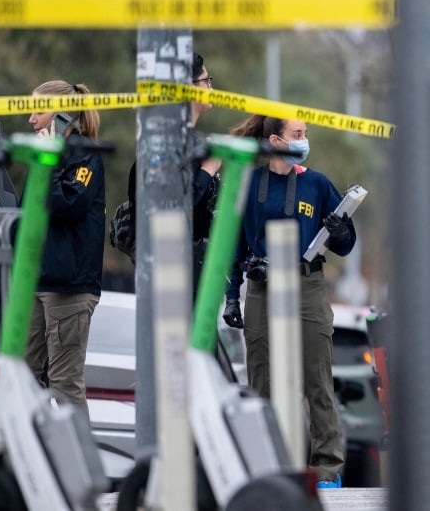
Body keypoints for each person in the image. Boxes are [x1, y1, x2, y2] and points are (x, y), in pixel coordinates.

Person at [221, 115, 356, 488]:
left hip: (307, 284)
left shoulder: (317, 184)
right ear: (275, 141)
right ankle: (264, 467)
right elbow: (234, 245)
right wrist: (231, 298)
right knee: (262, 381)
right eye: (297, 134)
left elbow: (346, 244)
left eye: (305, 134)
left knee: (317, 380)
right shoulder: (250, 183)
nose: (303, 140)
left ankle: (327, 468)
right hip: (263, 288)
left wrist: (341, 231)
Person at [24, 81, 106, 413]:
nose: (31, 119)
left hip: (69, 287)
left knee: (64, 384)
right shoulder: (45, 156)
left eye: (38, 111)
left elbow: (67, 204)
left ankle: (78, 449)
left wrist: (50, 162)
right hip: (37, 280)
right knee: (23, 377)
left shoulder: (85, 154)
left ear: (61, 116)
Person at [114, 54, 221, 292]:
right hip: (172, 273)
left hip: (190, 270)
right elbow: (173, 210)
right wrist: (208, 171)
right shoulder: (170, 146)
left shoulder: (185, 142)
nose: (211, 88)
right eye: (206, 81)